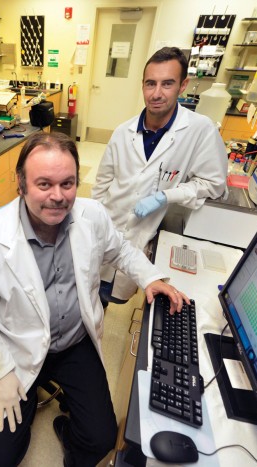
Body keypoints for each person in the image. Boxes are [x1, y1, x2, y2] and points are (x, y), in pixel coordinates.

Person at [0, 132, 188, 466]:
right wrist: (0, 372)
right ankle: (25, 396)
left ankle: (66, 433)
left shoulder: (91, 216)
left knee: (100, 439)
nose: (58, 197)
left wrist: (150, 276)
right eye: (44, 184)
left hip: (73, 344)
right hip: (16, 349)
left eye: (68, 183)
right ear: (21, 185)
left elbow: (120, 249)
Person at [92, 47, 228, 305]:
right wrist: (92, 227)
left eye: (167, 84)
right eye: (150, 84)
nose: (156, 93)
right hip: (107, 228)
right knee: (94, 293)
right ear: (142, 85)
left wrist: (166, 196)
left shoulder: (200, 130)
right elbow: (101, 186)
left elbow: (214, 185)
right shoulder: (123, 131)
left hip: (143, 235)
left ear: (183, 85)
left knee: (118, 291)